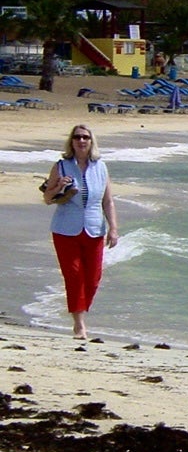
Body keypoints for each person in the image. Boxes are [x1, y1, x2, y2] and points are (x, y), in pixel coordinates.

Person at [45, 125, 118, 340]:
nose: (81, 140)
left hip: (94, 228)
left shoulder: (101, 167)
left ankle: (81, 311)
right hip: (65, 229)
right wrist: (58, 187)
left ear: (91, 141)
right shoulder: (61, 166)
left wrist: (113, 228)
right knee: (74, 275)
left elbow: (108, 201)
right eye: (77, 137)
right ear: (71, 141)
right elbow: (48, 199)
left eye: (85, 137)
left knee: (93, 278)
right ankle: (79, 324)